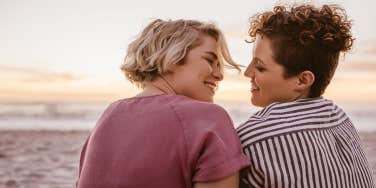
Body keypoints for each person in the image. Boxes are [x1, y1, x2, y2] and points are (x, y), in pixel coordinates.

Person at [76, 19, 250, 188]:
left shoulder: (110, 115)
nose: (219, 75)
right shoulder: (210, 118)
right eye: (210, 61)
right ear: (173, 58)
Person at [237, 4, 375, 188]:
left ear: (303, 80)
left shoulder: (252, 140)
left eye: (260, 67)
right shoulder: (341, 120)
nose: (247, 73)